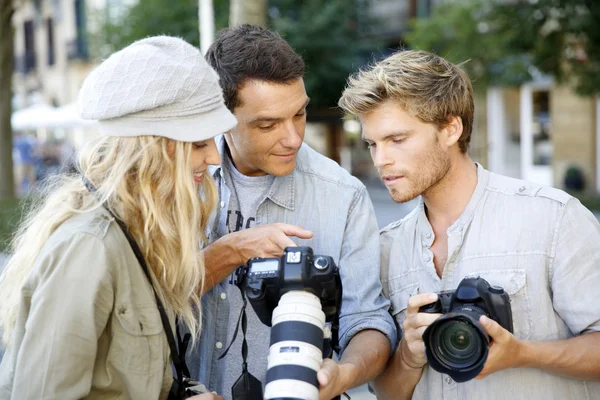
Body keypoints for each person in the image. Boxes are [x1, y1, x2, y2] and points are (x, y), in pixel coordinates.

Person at [338, 49, 600, 399]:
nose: (381, 160)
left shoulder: (553, 218)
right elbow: (386, 393)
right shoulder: (386, 248)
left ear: (450, 128)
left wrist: (522, 353)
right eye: (372, 143)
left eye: (397, 139)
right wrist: (410, 356)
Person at [0, 36, 237, 400]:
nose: (215, 158)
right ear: (157, 148)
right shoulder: (89, 246)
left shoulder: (139, 234)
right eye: (200, 143)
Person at [188, 25, 397, 400]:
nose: (293, 138)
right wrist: (231, 252)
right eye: (268, 124)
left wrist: (345, 373)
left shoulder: (343, 195)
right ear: (221, 120)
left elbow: (368, 321)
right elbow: (145, 305)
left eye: (299, 114)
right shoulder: (176, 183)